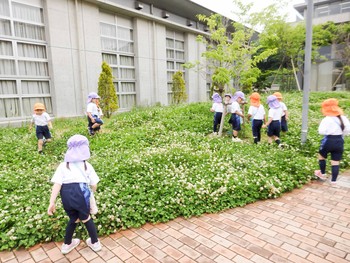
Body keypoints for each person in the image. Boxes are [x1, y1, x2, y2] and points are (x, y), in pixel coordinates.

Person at [47, 134, 101, 254]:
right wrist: (92, 192)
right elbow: (94, 184)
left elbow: (57, 184)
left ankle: (67, 244)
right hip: (81, 193)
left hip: (66, 194)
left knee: (74, 218)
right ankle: (95, 242)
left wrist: (52, 202)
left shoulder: (62, 166)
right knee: (86, 218)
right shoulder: (87, 165)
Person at [314, 98, 350, 186]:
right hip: (339, 141)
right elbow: (347, 130)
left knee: (321, 157)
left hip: (328, 140)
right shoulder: (343, 118)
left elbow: (321, 131)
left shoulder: (327, 119)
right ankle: (334, 181)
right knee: (335, 162)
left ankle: (322, 174)